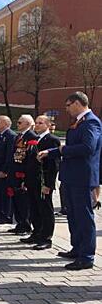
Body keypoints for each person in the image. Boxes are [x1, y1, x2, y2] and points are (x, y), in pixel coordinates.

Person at [39, 91, 102, 270]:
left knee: (84, 218)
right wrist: (52, 152)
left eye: (67, 105)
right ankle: (77, 248)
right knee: (73, 216)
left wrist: (60, 150)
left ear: (77, 103)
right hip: (72, 176)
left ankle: (87, 256)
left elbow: (87, 148)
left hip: (82, 178)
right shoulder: (80, 122)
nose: (66, 109)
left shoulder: (91, 122)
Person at [21, 115, 60, 250]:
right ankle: (36, 233)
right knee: (34, 208)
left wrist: (48, 184)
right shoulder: (35, 139)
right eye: (36, 123)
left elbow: (53, 165)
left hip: (43, 182)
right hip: (32, 180)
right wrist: (25, 180)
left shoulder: (52, 140)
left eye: (40, 123)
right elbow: (29, 162)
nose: (37, 125)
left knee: (45, 210)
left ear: (48, 125)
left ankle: (46, 238)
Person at [7, 115, 39, 236]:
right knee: (16, 200)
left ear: (27, 124)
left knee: (24, 202)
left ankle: (26, 225)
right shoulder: (19, 136)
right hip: (14, 172)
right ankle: (19, 223)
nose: (18, 124)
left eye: (20, 122)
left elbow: (30, 158)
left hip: (23, 174)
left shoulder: (31, 136)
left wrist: (24, 174)